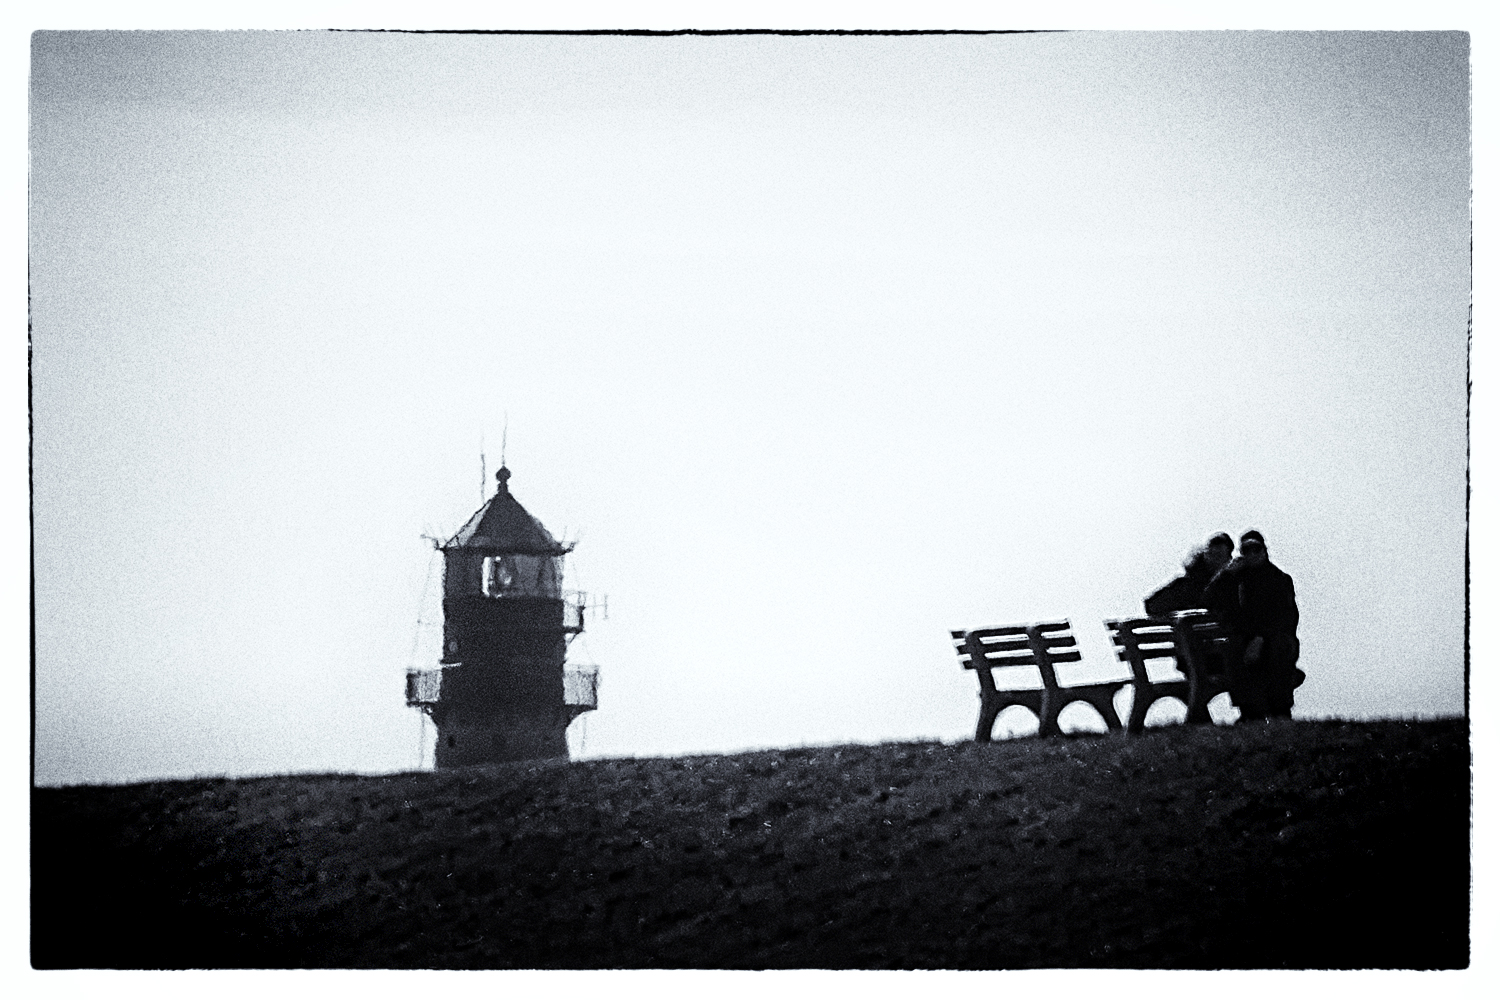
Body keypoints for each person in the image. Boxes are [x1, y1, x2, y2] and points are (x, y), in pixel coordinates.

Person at [1202, 530, 1303, 720]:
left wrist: (1260, 639)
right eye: (1247, 550)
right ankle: (1249, 714)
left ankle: (1280, 712)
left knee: (1279, 648)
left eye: (1257, 549)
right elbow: (1208, 599)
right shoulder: (1235, 579)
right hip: (1242, 641)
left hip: (1274, 639)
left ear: (1265, 551)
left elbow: (1287, 618)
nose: (1253, 554)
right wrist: (1225, 574)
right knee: (1232, 648)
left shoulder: (1280, 579)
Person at [1144, 532, 1235, 617]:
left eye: (1219, 555)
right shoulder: (1187, 584)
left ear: (1228, 559)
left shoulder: (1233, 584)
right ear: (1204, 555)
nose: (1214, 560)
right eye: (1211, 554)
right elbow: (1151, 605)